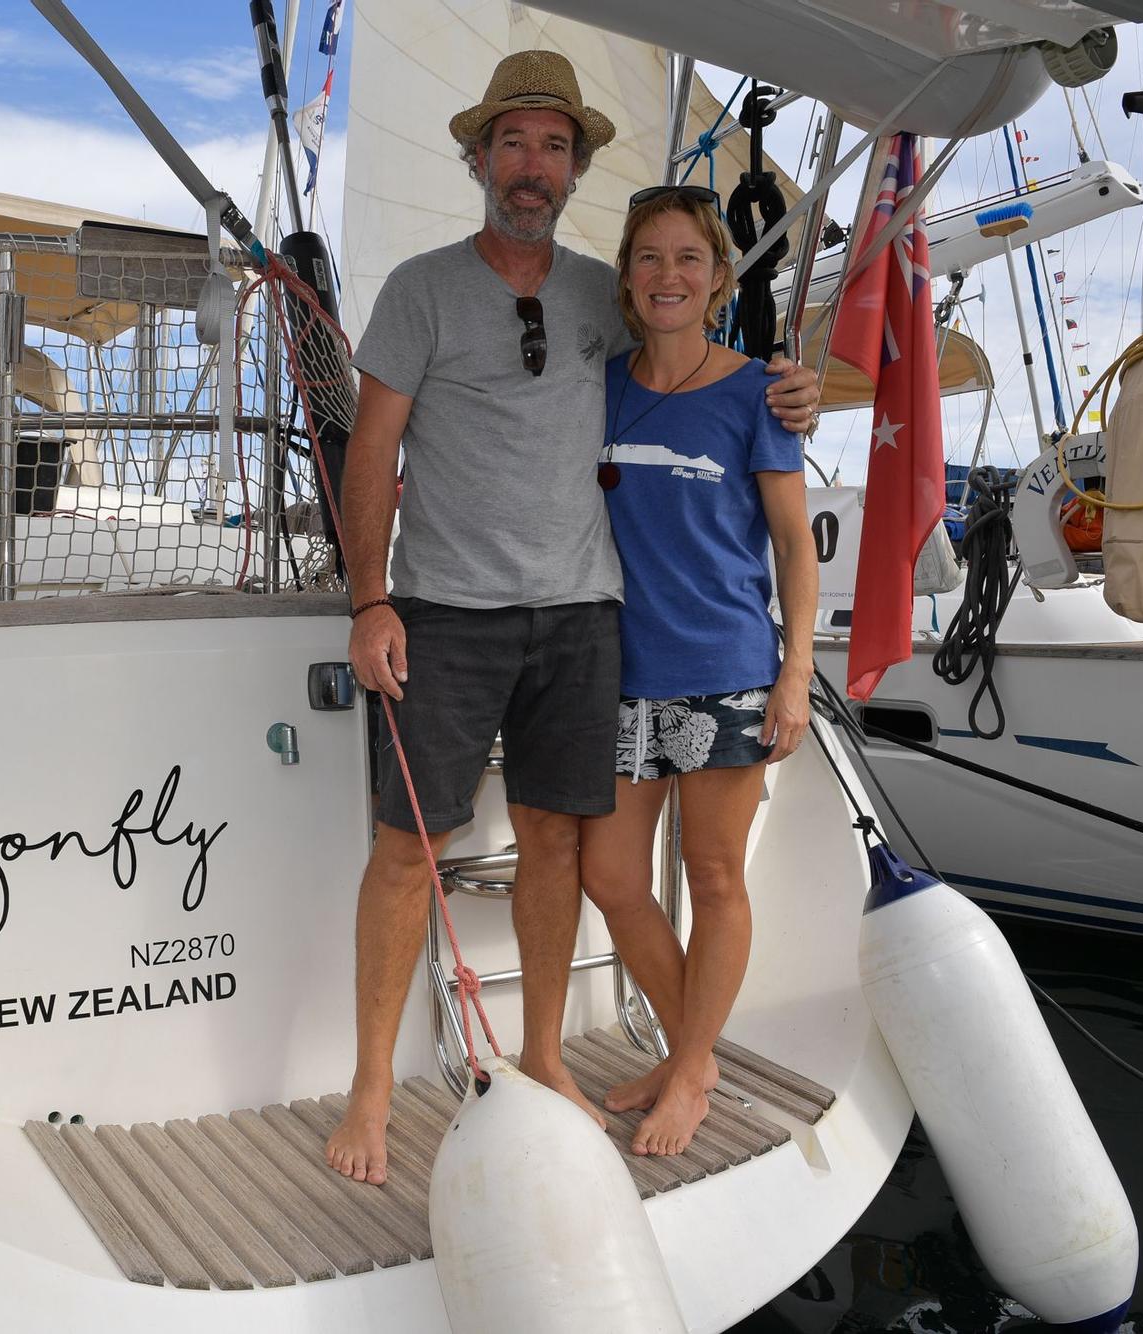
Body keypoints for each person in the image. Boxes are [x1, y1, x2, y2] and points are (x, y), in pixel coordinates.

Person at [322, 51, 822, 1187]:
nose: (531, 165)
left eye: (553, 146)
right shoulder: (420, 288)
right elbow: (372, 451)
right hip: (445, 611)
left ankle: (544, 1052)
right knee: (408, 850)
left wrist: (786, 384)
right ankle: (367, 1083)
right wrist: (367, 597)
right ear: (479, 158)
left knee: (556, 842)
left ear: (577, 166)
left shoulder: (605, 288)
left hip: (582, 619)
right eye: (512, 142)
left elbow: (692, 334)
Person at [578, 184, 819, 1158]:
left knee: (712, 876)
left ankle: (686, 1070)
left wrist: (794, 670)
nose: (665, 275)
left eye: (687, 258)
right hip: (618, 674)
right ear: (626, 278)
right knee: (609, 875)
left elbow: (795, 547)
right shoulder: (597, 386)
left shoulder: (757, 393)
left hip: (724, 668)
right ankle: (696, 1051)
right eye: (647, 257)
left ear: (718, 279)